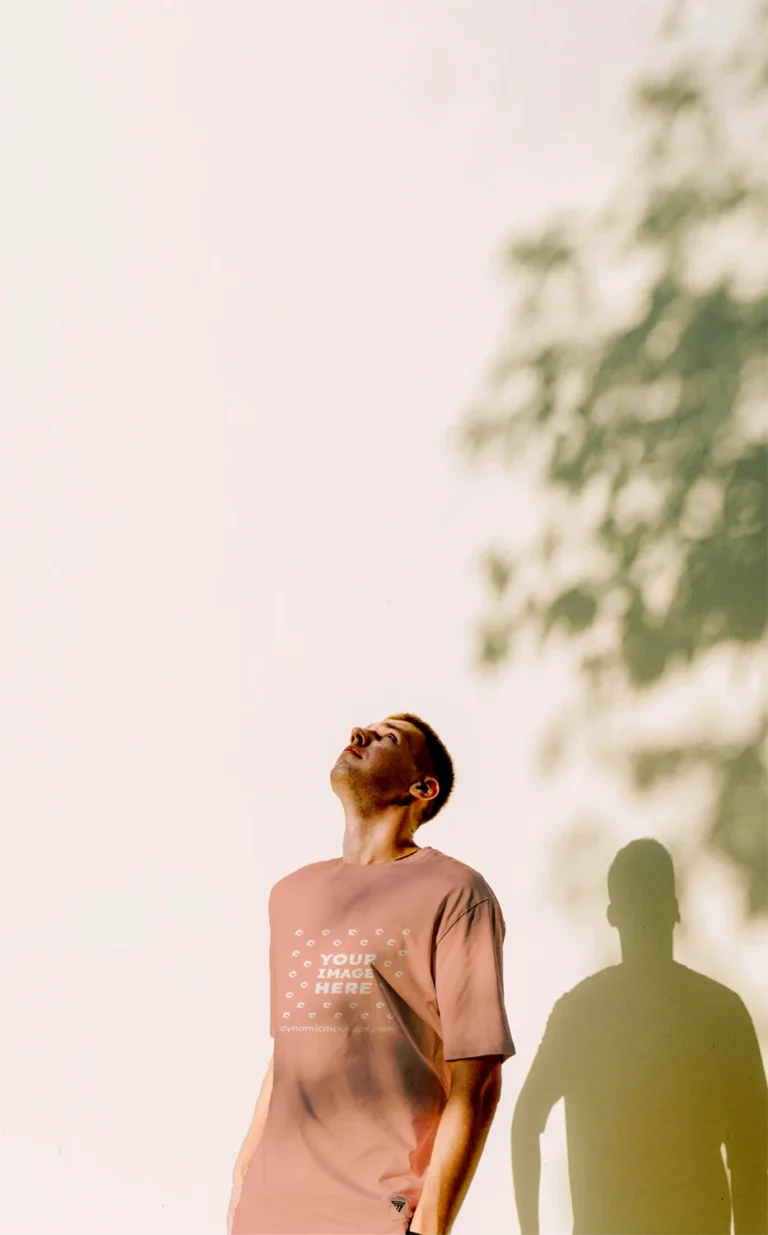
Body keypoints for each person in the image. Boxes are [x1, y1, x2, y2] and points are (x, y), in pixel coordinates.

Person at [227, 712, 515, 1235]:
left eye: (387, 739)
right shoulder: (291, 895)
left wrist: (430, 1225)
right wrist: (242, 1179)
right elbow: (288, 1056)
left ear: (421, 788)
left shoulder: (456, 894)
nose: (358, 736)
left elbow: (478, 1080)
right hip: (267, 1213)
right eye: (361, 730)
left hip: (375, 1215)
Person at [511, 838, 768, 1235]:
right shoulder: (721, 1012)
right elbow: (751, 1156)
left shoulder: (580, 1012)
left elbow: (526, 1122)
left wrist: (531, 1231)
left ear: (613, 915)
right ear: (676, 910)